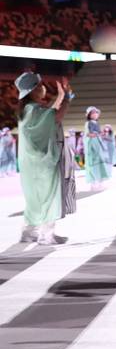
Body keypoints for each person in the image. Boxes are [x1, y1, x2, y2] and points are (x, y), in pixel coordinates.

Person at [15, 72, 75, 245]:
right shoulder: (34, 109)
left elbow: (48, 114)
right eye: (39, 85)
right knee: (49, 195)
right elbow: (55, 117)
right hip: (42, 160)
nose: (42, 88)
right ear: (32, 90)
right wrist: (67, 99)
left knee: (34, 198)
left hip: (30, 162)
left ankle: (28, 232)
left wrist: (61, 96)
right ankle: (47, 234)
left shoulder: (28, 110)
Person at [83, 106, 111, 191]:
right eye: (93, 113)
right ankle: (94, 183)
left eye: (96, 112)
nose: (95, 114)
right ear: (89, 115)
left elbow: (99, 133)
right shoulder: (88, 123)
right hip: (92, 144)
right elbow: (88, 134)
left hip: (98, 144)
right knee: (93, 163)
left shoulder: (97, 123)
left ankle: (100, 182)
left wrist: (103, 134)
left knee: (100, 162)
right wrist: (98, 134)